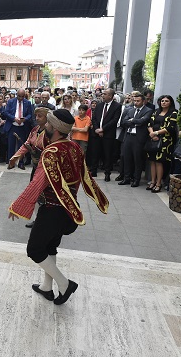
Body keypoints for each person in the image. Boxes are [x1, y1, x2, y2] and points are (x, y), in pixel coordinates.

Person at [8, 109, 109, 305]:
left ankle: (64, 284)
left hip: (52, 210)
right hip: (68, 209)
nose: (44, 126)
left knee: (35, 250)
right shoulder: (74, 148)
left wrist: (17, 206)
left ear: (54, 128)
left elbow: (38, 183)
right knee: (49, 246)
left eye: (48, 124)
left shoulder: (51, 152)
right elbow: (84, 177)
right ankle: (47, 287)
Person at [8, 106, 51, 228]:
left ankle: (46, 220)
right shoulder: (35, 130)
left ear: (47, 117)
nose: (37, 118)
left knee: (46, 195)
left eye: (40, 116)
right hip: (36, 166)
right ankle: (39, 219)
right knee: (37, 194)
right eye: (36, 116)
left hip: (47, 169)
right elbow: (26, 144)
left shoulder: (51, 133)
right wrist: (15, 157)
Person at [117, 92, 152, 187]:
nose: (136, 102)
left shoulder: (148, 110)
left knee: (137, 159)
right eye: (134, 101)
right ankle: (126, 178)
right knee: (126, 158)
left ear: (143, 101)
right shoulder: (131, 110)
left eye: (138, 101)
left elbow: (143, 121)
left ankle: (136, 179)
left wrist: (132, 120)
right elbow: (124, 122)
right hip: (128, 136)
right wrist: (134, 121)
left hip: (138, 138)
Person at [146, 95, 178, 193]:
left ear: (170, 102)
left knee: (159, 161)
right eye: (162, 101)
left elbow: (171, 128)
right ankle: (152, 181)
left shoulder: (174, 112)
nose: (163, 102)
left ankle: (159, 183)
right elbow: (149, 124)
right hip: (153, 139)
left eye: (166, 101)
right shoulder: (156, 111)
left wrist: (156, 133)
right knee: (152, 161)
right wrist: (152, 133)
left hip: (165, 141)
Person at [90, 88, 122, 181]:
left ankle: (107, 173)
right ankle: (94, 171)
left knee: (108, 154)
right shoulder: (99, 105)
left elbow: (114, 120)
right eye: (102, 94)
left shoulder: (117, 106)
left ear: (110, 96)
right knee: (95, 152)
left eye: (105, 94)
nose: (102, 95)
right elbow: (94, 118)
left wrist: (103, 129)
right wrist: (96, 129)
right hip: (96, 134)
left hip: (108, 134)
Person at [3, 88, 33, 170]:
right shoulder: (11, 101)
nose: (20, 98)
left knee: (21, 146)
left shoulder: (28, 103)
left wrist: (25, 119)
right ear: (16, 95)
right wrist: (14, 118)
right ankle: (11, 163)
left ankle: (21, 162)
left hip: (22, 127)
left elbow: (30, 114)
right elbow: (6, 112)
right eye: (19, 96)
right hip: (12, 126)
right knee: (11, 145)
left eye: (22, 96)